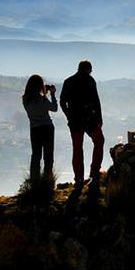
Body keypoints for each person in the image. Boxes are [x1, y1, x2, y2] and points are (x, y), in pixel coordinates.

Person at [61, 60, 104, 192]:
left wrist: (68, 114)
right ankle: (94, 172)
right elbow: (96, 101)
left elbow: (63, 101)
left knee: (77, 148)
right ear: (88, 69)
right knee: (99, 141)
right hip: (89, 118)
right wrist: (99, 119)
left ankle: (79, 178)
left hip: (75, 120)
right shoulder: (90, 81)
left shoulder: (68, 81)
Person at [22, 74, 57, 180]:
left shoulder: (25, 99)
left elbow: (36, 104)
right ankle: (47, 179)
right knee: (48, 156)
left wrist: (44, 93)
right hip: (47, 128)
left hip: (35, 129)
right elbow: (54, 108)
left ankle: (34, 180)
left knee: (36, 155)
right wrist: (52, 95)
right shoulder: (42, 99)